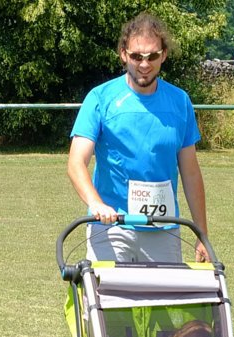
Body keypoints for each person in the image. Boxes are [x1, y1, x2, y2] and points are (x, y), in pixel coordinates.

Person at [67, 12, 209, 264]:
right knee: (108, 303)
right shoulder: (100, 98)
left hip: (164, 230)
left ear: (164, 55)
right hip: (111, 229)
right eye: (136, 56)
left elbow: (190, 172)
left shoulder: (180, 102)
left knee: (167, 303)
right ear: (123, 54)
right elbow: (76, 162)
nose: (144, 64)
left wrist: (202, 234)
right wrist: (96, 204)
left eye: (152, 56)